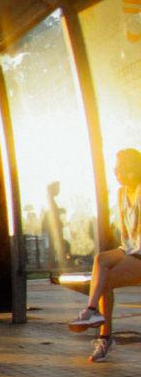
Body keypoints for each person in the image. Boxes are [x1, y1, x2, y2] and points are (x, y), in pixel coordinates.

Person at [68, 148, 141, 362]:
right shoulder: (121, 193)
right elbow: (126, 233)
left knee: (103, 280)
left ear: (132, 169)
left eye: (119, 168)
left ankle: (104, 336)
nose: (115, 172)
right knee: (101, 260)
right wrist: (124, 251)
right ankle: (92, 311)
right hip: (131, 248)